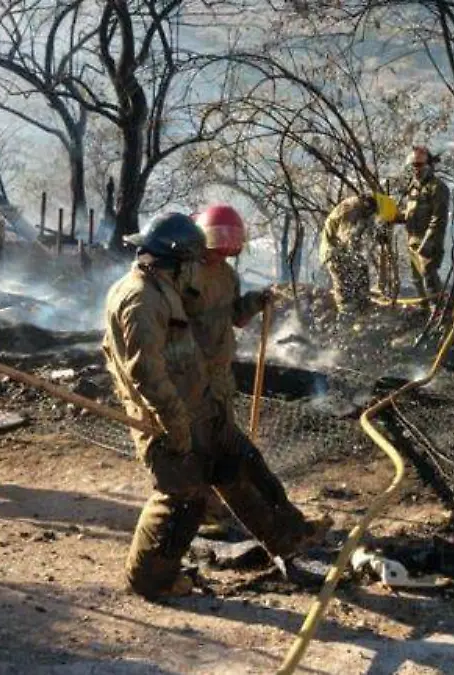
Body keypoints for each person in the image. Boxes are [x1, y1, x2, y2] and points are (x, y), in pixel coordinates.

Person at [103, 213, 329, 598]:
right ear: (177, 261)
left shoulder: (162, 288)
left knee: (242, 466)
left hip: (202, 404)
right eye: (193, 262)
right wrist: (176, 426)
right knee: (181, 501)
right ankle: (150, 582)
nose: (198, 270)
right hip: (169, 420)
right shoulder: (141, 300)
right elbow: (148, 376)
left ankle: (290, 541)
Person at [186, 205, 268, 535]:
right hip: (191, 374)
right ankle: (201, 511)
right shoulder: (185, 273)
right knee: (196, 443)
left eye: (228, 243)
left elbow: (236, 316)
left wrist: (255, 301)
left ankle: (224, 504)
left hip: (220, 374)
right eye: (217, 241)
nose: (221, 250)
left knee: (224, 442)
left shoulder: (228, 275)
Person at [319, 193, 397, 314]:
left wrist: (379, 236)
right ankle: (346, 316)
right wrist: (357, 258)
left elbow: (365, 232)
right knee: (345, 284)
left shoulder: (363, 209)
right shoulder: (352, 209)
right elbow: (348, 239)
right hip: (334, 253)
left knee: (362, 273)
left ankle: (362, 309)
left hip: (343, 251)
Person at [397, 146, 450, 307]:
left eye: (419, 165)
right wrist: (394, 217)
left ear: (429, 165)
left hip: (428, 242)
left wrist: (429, 241)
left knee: (429, 278)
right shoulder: (413, 187)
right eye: (413, 165)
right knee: (416, 280)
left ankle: (440, 313)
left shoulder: (437, 187)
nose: (415, 169)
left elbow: (438, 219)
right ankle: (425, 312)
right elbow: (411, 213)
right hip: (413, 240)